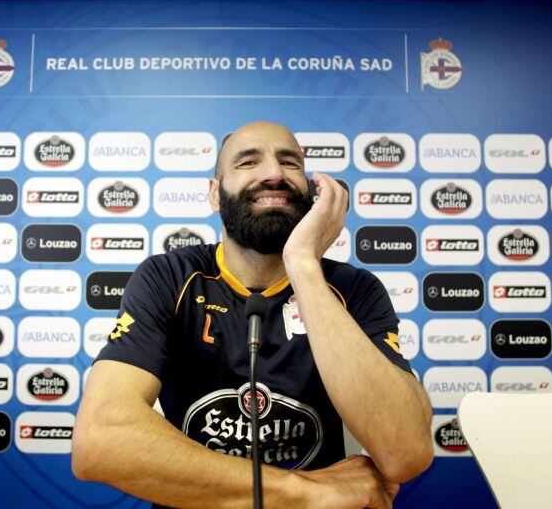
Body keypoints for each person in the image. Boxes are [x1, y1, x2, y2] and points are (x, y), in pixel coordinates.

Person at [72, 121, 433, 508]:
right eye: (248, 162)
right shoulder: (169, 277)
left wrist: (303, 265)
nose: (274, 174)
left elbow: (405, 453)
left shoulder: (355, 289)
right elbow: (99, 440)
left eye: (290, 163)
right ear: (215, 193)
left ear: (312, 191)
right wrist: (303, 491)